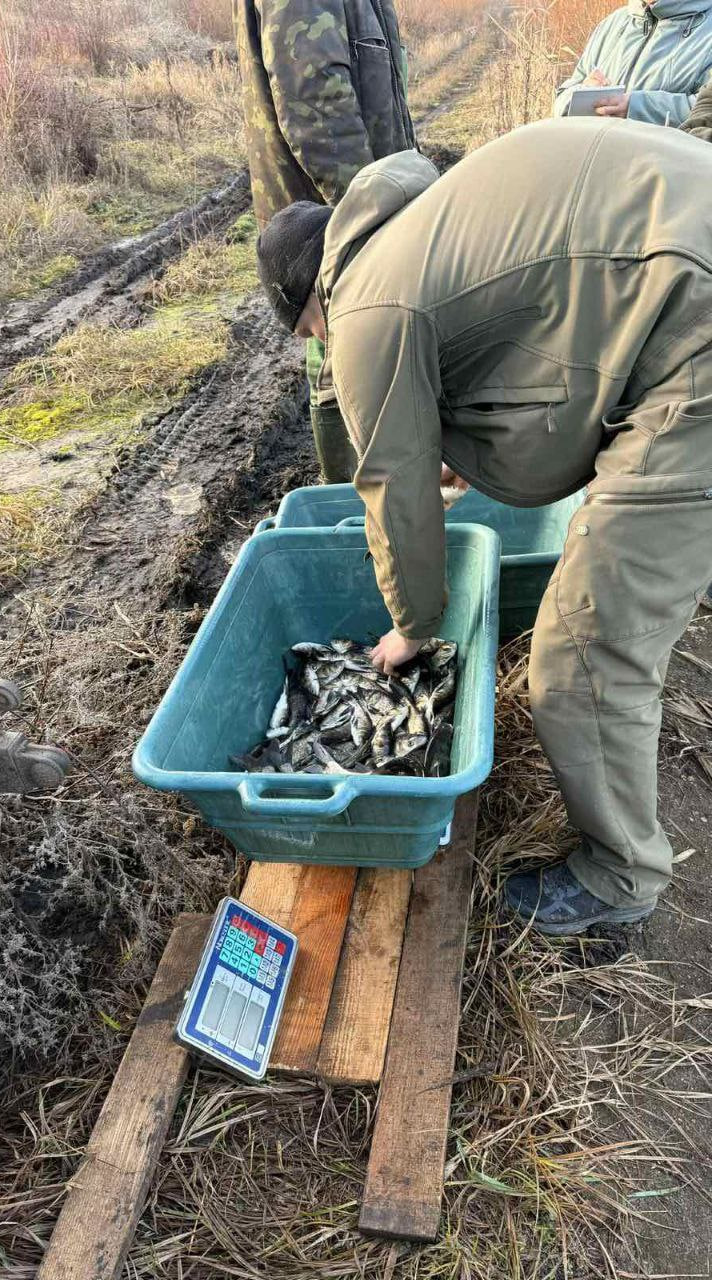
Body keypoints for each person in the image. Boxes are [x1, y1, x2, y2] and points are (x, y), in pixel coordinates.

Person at [256, 118, 712, 936]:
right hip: (683, 251)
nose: (322, 351)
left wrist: (409, 627)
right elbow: (542, 333)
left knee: (582, 651)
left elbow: (394, 490)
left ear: (308, 306)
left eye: (310, 340)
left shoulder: (363, 308)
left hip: (699, 331)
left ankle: (621, 878)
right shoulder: (417, 225)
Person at [234, 0, 415, 484]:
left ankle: (376, 500)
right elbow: (317, 108)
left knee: (360, 364)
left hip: (349, 209)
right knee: (347, 369)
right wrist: (371, 224)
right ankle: (357, 509)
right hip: (329, 226)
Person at [553, 0, 712, 127]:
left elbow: (706, 112)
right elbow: (563, 96)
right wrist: (582, 95)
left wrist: (635, 108)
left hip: (661, 166)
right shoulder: (613, 23)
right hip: (598, 160)